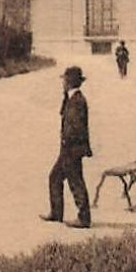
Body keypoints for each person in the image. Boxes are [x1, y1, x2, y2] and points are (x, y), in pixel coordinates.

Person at [42, 65, 92, 229]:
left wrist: (68, 142)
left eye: (64, 80)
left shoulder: (77, 101)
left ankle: (84, 218)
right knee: (55, 177)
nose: (62, 82)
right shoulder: (71, 98)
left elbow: (76, 127)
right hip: (69, 149)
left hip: (72, 149)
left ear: (69, 82)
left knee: (75, 181)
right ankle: (56, 213)